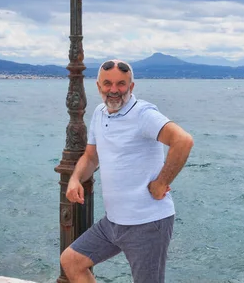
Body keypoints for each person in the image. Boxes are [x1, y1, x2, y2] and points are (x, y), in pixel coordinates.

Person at [60, 59, 194, 283]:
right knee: (72, 261)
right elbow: (91, 156)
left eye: (121, 84)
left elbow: (183, 141)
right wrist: (75, 179)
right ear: (98, 86)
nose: (114, 90)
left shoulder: (143, 114)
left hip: (147, 223)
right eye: (107, 84)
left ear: (131, 87)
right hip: (113, 223)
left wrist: (161, 183)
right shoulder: (99, 113)